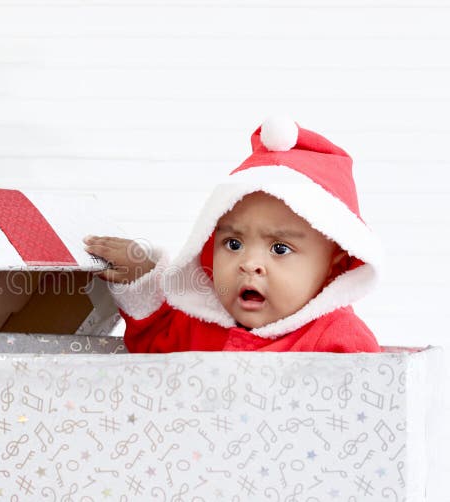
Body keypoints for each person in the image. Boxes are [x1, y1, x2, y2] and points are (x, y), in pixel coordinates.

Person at [83, 117, 382, 353]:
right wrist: (143, 278)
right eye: (233, 244)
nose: (249, 263)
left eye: (280, 248)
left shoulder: (339, 340)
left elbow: (370, 412)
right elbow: (154, 348)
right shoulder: (199, 328)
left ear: (334, 265)